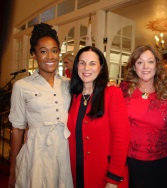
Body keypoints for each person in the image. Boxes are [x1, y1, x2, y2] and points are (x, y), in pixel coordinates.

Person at [8, 23, 73, 188]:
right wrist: (13, 168)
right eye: (43, 51)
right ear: (34, 54)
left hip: (64, 151)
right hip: (36, 152)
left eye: (55, 50)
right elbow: (17, 128)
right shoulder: (21, 86)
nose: (50, 56)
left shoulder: (69, 84)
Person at [67, 46, 130, 188]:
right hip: (76, 171)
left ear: (101, 67)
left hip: (104, 173)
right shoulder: (73, 95)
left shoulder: (112, 93)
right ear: (76, 66)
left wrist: (113, 178)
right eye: (82, 63)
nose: (86, 68)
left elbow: (122, 137)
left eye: (92, 63)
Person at [120, 45, 167, 188]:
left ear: (157, 66)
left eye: (150, 62)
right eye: (140, 62)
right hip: (128, 161)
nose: (145, 66)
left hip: (159, 163)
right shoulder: (122, 91)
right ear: (133, 66)